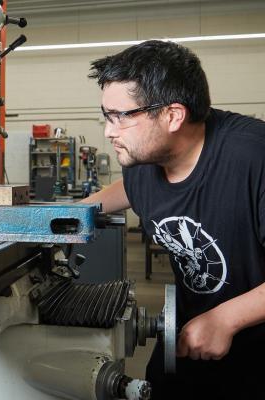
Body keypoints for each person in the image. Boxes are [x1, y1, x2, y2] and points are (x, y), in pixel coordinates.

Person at [83, 40, 265, 399]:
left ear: (173, 115)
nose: (108, 131)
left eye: (121, 116)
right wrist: (66, 214)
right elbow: (130, 188)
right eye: (106, 115)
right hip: (187, 334)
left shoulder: (253, 158)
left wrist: (226, 319)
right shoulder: (144, 162)